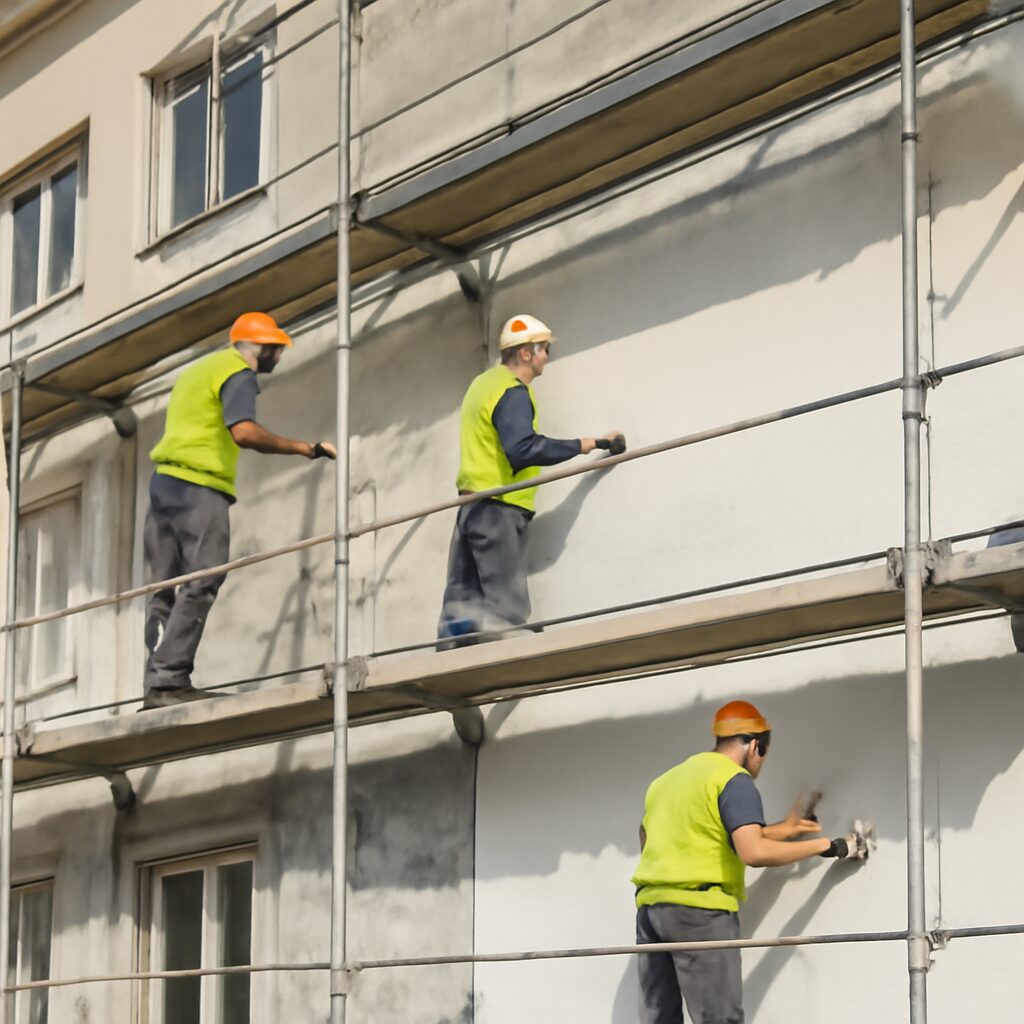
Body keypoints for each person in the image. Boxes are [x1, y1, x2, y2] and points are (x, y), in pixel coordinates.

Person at [141, 312, 336, 710]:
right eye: (276, 351)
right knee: (205, 577)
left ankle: (155, 682)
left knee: (162, 589)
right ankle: (169, 678)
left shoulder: (199, 371)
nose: (277, 359)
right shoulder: (237, 372)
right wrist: (306, 448)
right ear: (260, 346)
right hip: (200, 488)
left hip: (164, 485)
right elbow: (243, 432)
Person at [631, 700, 860, 1023]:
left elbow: (653, 836)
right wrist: (827, 846)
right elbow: (753, 852)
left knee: (660, 1018)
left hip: (651, 912)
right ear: (756, 745)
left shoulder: (666, 781)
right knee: (720, 1018)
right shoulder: (733, 779)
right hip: (700, 912)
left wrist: (786, 828)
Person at [437, 314, 623, 646]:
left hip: (470, 509)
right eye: (544, 350)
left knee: (462, 602)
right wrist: (587, 444)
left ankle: (452, 656)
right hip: (499, 506)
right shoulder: (512, 390)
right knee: (505, 606)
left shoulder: (482, 384)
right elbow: (522, 449)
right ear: (525, 353)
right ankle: (511, 647)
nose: (546, 358)